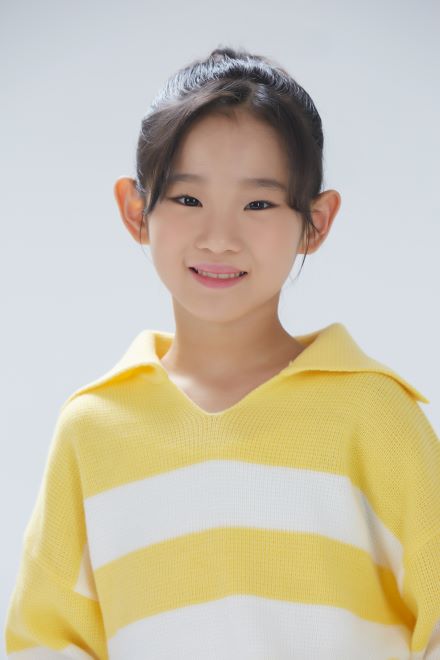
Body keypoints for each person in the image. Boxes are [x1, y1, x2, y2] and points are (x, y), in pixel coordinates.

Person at [4, 46, 440, 659]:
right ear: (136, 210)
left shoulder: (375, 415)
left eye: (258, 204)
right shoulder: (93, 429)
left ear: (316, 222)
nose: (219, 238)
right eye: (188, 200)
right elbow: (47, 642)